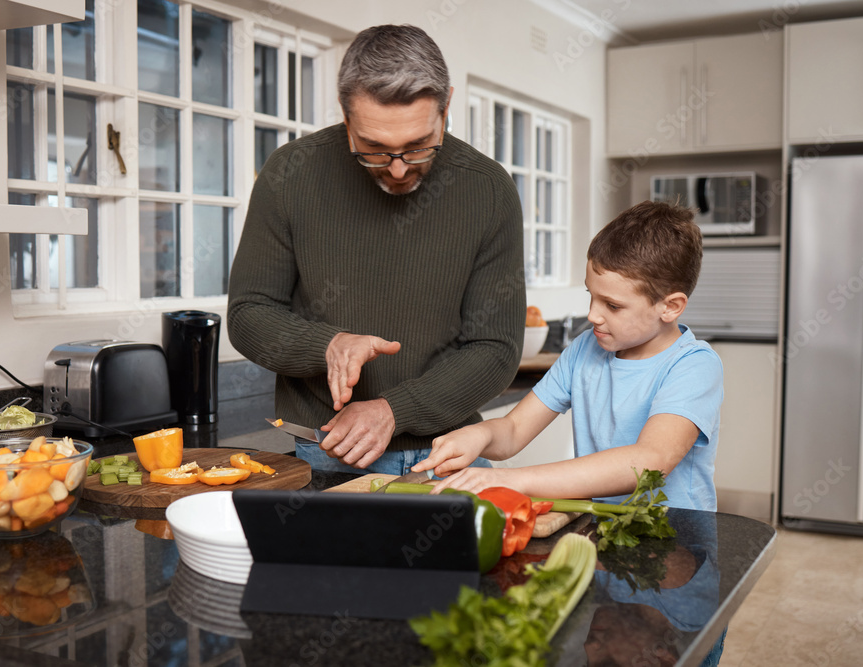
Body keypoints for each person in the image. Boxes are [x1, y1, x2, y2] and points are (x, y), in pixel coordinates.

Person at [227, 24, 525, 473]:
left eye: (419, 146)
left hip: (450, 453)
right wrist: (327, 345)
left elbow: (495, 348)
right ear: (346, 118)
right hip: (329, 453)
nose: (400, 170)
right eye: (374, 148)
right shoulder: (290, 174)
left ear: (446, 107)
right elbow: (248, 313)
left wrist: (393, 410)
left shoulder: (488, 190)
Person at [415, 200, 723, 512]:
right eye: (591, 297)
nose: (592, 315)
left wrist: (514, 481)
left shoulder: (693, 366)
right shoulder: (584, 349)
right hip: (600, 526)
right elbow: (513, 431)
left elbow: (648, 461)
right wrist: (477, 435)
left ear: (670, 307)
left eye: (612, 305)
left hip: (677, 536)